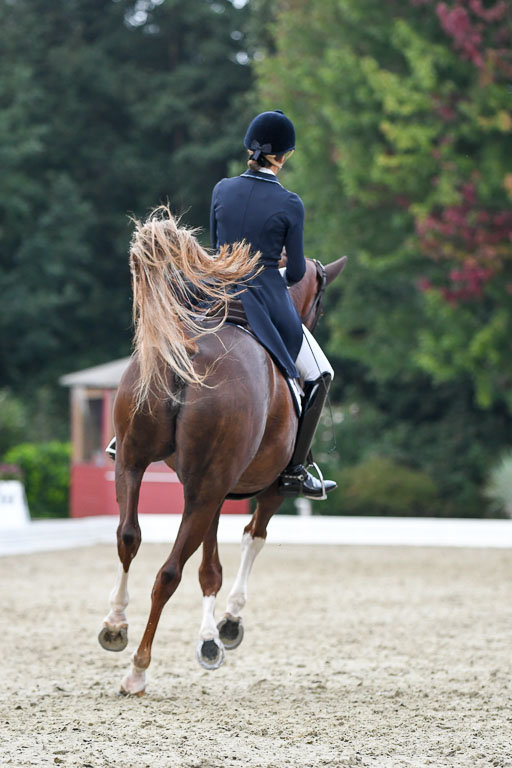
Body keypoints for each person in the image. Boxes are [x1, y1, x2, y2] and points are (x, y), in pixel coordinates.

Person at [210, 109, 336, 500]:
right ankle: (298, 468)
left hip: (217, 293)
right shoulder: (290, 202)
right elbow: (298, 272)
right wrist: (277, 260)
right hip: (264, 298)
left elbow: (217, 251)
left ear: (249, 148)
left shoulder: (221, 189)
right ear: (285, 156)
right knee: (320, 374)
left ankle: (124, 437)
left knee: (166, 338)